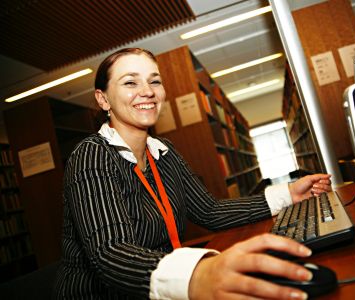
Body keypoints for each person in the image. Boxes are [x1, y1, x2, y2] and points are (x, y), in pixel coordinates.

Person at [53, 47, 332, 300]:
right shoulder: (91, 156)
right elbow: (110, 253)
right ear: (103, 100)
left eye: (154, 80)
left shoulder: (164, 151)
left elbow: (209, 211)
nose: (147, 91)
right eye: (130, 82)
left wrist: (288, 194)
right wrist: (199, 274)